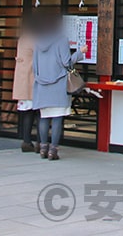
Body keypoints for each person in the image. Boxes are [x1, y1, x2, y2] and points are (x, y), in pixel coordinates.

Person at [32, 11, 86, 160]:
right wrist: (80, 53)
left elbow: (34, 66)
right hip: (58, 85)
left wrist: (40, 78)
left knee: (44, 117)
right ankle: (53, 151)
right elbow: (66, 63)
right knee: (57, 118)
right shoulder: (62, 40)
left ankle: (43, 148)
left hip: (42, 85)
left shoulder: (38, 41)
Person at [12, 14, 39, 153]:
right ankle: (40, 142)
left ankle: (26, 141)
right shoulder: (35, 40)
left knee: (27, 113)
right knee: (40, 113)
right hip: (32, 81)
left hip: (22, 82)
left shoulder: (23, 39)